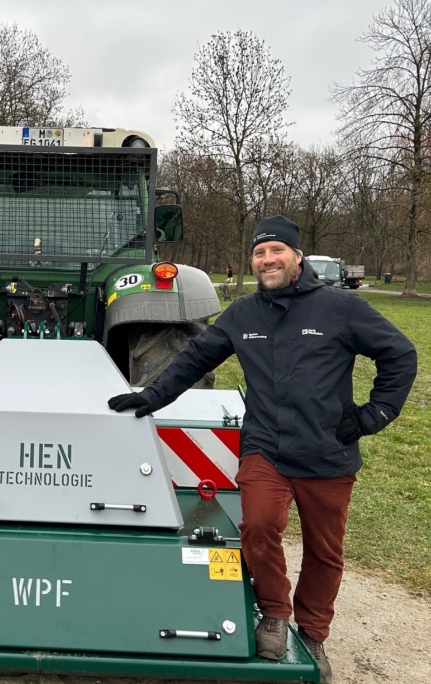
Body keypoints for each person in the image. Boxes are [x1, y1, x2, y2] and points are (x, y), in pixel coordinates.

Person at [108, 216, 416, 683]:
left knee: (324, 550)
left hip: (328, 452)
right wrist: (151, 396)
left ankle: (313, 633)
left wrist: (375, 414)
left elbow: (400, 354)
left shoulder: (340, 308)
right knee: (257, 527)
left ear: (296, 256)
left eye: (276, 251)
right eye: (259, 253)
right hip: (265, 448)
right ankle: (273, 613)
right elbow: (194, 358)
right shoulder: (243, 314)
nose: (267, 260)